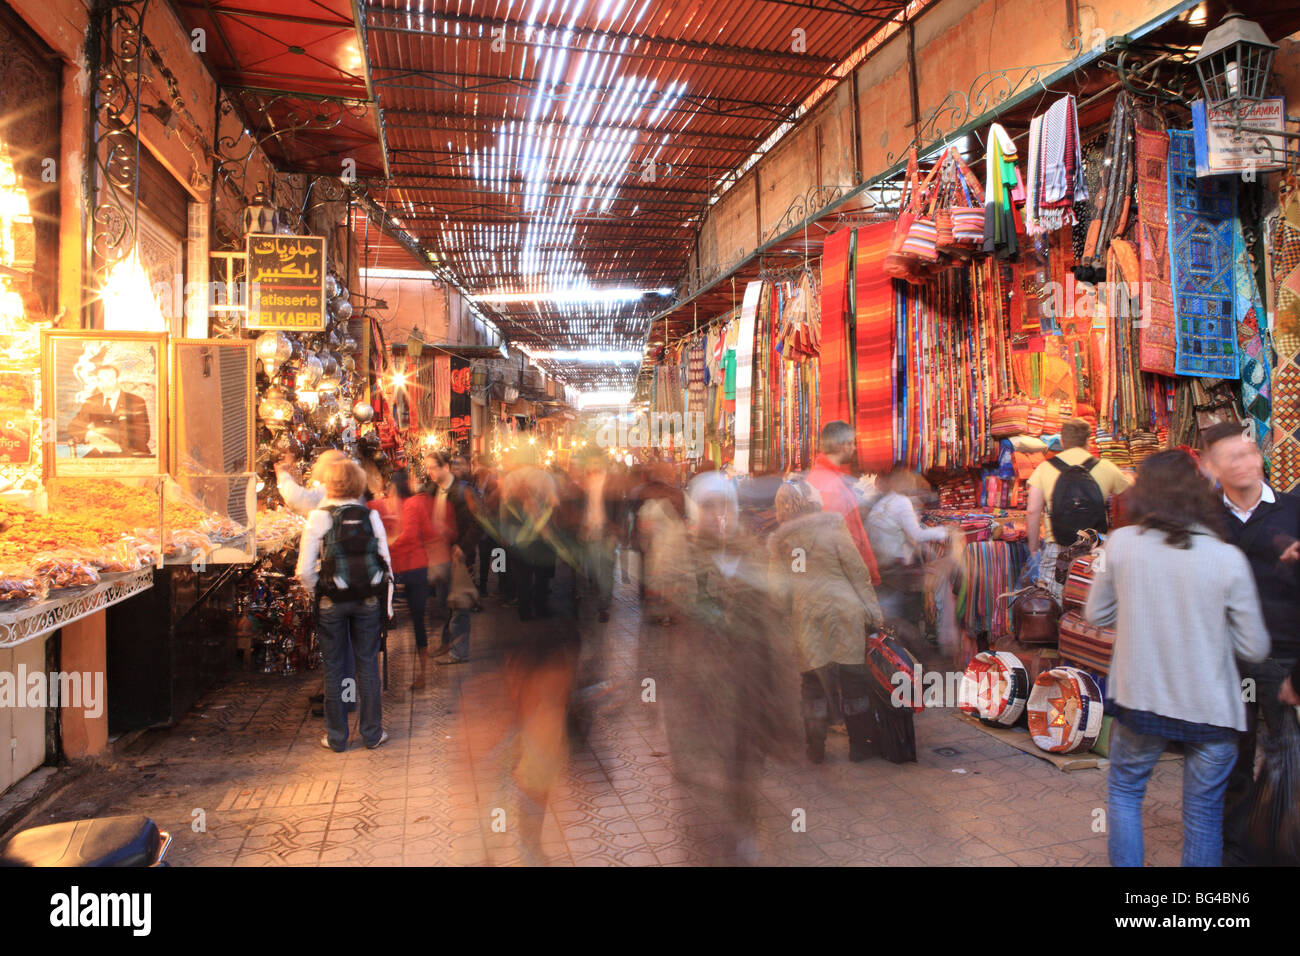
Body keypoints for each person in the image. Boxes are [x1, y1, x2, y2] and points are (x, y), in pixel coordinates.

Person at [1084, 450, 1269, 867]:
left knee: (1126, 793)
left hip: (1141, 701)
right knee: (1203, 817)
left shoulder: (1121, 544)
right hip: (1213, 709)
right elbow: (1254, 647)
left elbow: (1096, 614)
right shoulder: (1227, 559)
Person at [660, 471, 798, 864]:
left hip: (748, 683)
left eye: (724, 505)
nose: (717, 514)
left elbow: (773, 624)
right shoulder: (680, 554)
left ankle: (743, 834)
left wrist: (781, 691)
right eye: (708, 506)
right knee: (701, 775)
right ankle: (706, 845)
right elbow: (667, 612)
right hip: (697, 687)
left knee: (744, 768)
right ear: (695, 511)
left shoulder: (753, 552)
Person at [1199, 422, 1300, 863]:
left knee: (1287, 760)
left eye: (1249, 453)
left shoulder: (1294, 511)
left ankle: (1278, 846)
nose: (1243, 463)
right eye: (1231, 457)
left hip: (1285, 659)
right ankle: (1235, 852)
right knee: (1232, 758)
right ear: (1211, 468)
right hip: (1228, 662)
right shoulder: (1203, 518)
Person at [769, 476, 883, 763]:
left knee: (813, 684)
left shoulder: (781, 540)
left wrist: (781, 617)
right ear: (810, 498)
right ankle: (860, 746)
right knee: (853, 680)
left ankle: (815, 749)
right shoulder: (832, 525)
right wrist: (873, 611)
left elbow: (777, 588)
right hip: (843, 610)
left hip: (806, 616)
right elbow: (856, 570)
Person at [295, 457, 393, 752]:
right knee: (367, 667)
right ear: (358, 484)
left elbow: (304, 570)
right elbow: (386, 562)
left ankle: (337, 738)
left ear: (330, 484)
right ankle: (372, 734)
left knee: (334, 668)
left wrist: (320, 592)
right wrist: (387, 606)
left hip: (331, 604)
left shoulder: (318, 517)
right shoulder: (370, 516)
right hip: (366, 600)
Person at [1026, 418, 1131, 601]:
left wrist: (1034, 548)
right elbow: (1130, 500)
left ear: (1063, 442)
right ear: (1088, 441)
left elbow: (1033, 511)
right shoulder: (1106, 467)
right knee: (1092, 601)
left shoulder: (1044, 468)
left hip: (1057, 549)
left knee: (1053, 602)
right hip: (1095, 549)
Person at [867, 463, 952, 639]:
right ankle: (908, 654)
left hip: (881, 566)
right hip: (896, 567)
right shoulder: (901, 502)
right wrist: (945, 532)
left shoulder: (885, 501)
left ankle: (888, 649)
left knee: (889, 615)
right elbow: (916, 534)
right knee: (903, 618)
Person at [422, 449, 480, 664]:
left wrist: (463, 547)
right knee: (445, 603)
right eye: (426, 468)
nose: (429, 473)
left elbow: (479, 523)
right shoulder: (432, 490)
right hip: (438, 556)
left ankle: (459, 651)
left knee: (459, 606)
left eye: (432, 468)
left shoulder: (464, 491)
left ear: (445, 467)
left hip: (458, 557)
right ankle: (447, 643)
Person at [807, 420, 881, 587]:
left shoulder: (826, 477)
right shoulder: (829, 483)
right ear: (843, 445)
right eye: (852, 443)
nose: (854, 449)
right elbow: (839, 537)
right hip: (843, 580)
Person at [384, 469, 438, 689]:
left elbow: (409, 535)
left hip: (408, 567)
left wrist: (387, 544)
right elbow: (429, 533)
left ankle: (420, 674)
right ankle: (421, 673)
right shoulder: (413, 503)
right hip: (414, 567)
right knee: (417, 621)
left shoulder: (409, 505)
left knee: (412, 621)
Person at [67, 364, 151, 457]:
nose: (105, 384)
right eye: (100, 380)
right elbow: (73, 427)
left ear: (118, 380)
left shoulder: (135, 401)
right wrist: (89, 435)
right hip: (101, 453)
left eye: (110, 380)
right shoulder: (92, 401)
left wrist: (119, 450)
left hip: (130, 453)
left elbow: (142, 437)